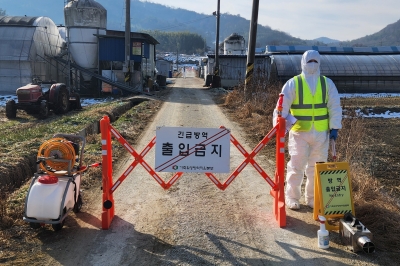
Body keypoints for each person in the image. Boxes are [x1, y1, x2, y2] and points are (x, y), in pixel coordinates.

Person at [274, 50, 342, 210]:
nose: (312, 63)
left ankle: (312, 198)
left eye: (315, 61)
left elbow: (334, 106)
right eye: (309, 60)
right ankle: (291, 197)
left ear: (319, 63)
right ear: (303, 62)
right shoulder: (293, 83)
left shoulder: (327, 83)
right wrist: (278, 127)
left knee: (316, 168)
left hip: (321, 133)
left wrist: (335, 127)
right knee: (296, 166)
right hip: (299, 133)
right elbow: (281, 107)